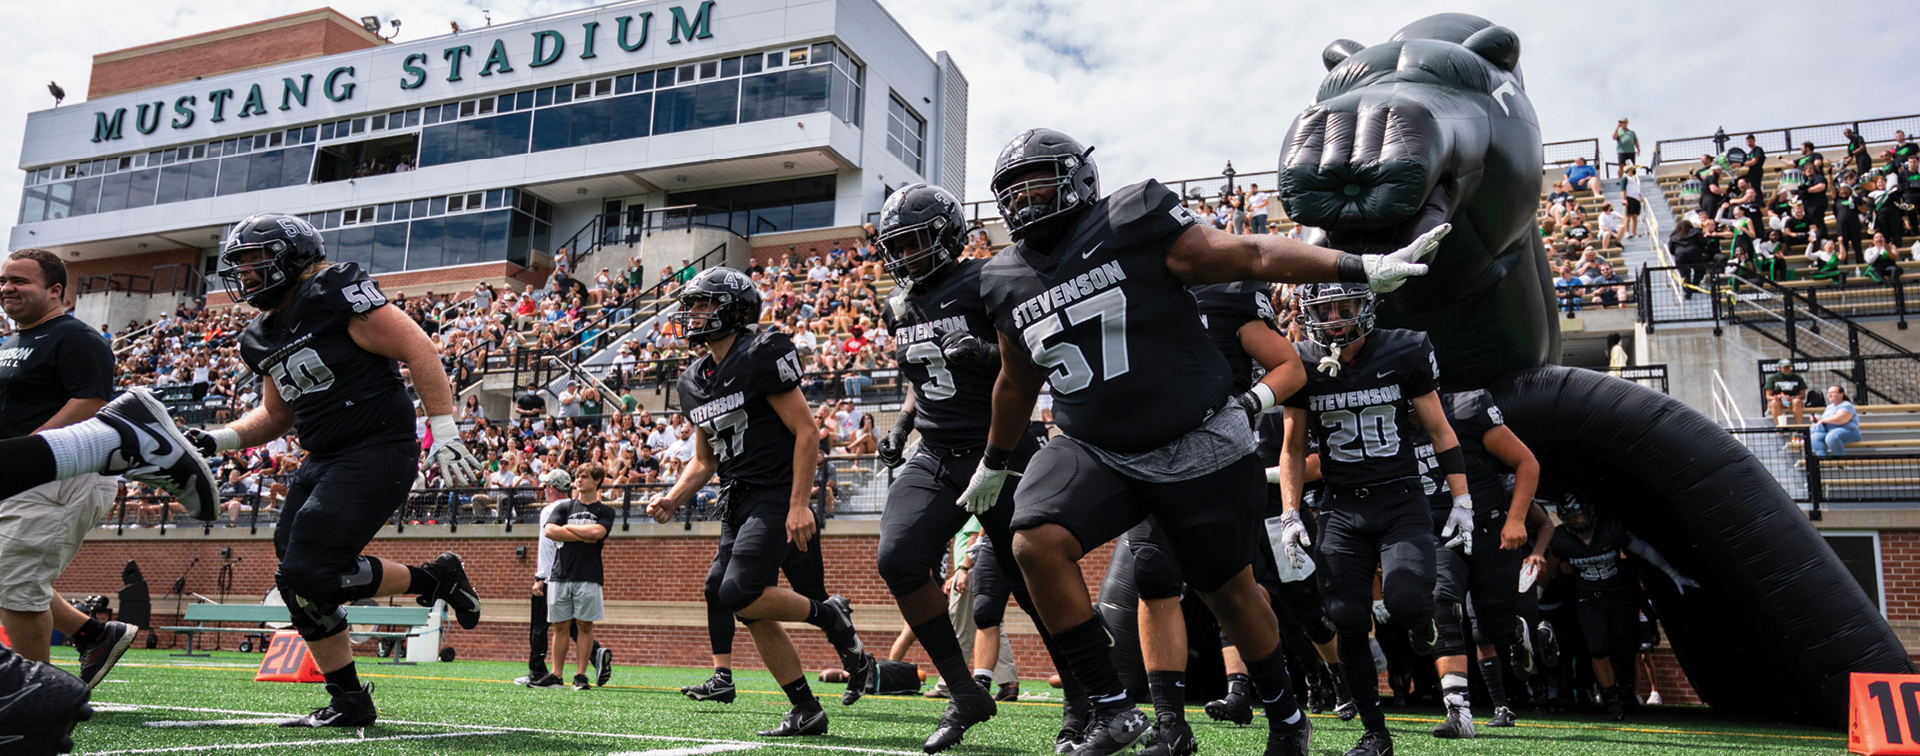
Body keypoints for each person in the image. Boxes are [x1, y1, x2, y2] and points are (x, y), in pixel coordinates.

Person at [962, 128, 1442, 756]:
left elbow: (1251, 255)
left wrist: (1357, 266)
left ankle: (1287, 716)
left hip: (1196, 439)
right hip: (1095, 443)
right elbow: (1014, 380)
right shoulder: (1001, 277)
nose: (1026, 201)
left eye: (1039, 183)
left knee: (1230, 592)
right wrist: (995, 462)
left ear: (1078, 178)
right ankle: (1112, 707)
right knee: (1034, 539)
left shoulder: (1132, 217)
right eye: (1013, 191)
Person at [187, 213, 485, 728]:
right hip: (321, 457)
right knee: (298, 580)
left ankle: (434, 580)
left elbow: (416, 346)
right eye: (239, 265)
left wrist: (446, 428)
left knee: (308, 572)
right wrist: (219, 438)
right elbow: (277, 415)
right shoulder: (259, 334)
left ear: (292, 253)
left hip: (376, 448)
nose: (247, 274)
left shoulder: (333, 287)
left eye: (254, 260)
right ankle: (350, 697)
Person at [869, 183, 1080, 752]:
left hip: (1002, 448)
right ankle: (965, 691)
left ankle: (1084, 695)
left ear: (947, 235)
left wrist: (988, 354)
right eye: (898, 243)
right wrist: (903, 424)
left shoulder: (988, 278)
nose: (907, 253)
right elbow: (923, 377)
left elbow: (1040, 356)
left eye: (916, 240)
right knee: (899, 558)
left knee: (1032, 578)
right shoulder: (901, 303)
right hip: (936, 454)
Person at [646, 267, 871, 738]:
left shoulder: (762, 352)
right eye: (693, 305)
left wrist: (798, 504)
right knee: (742, 603)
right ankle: (806, 708)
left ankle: (828, 613)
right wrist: (672, 497)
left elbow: (807, 432)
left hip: (775, 492)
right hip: (738, 499)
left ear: (734, 309)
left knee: (738, 592)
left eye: (704, 304)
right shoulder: (693, 380)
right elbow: (704, 460)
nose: (694, 314)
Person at [1275, 282, 1470, 755]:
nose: (1337, 318)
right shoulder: (1299, 361)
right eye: (1327, 309)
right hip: (1341, 506)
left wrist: (1462, 499)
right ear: (1309, 313)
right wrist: (1289, 512)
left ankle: (1422, 621)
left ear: (1367, 307)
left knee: (1405, 601)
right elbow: (1294, 447)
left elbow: (1441, 430)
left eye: (1347, 307)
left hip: (1400, 499)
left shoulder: (1404, 349)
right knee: (1345, 617)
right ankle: (1375, 733)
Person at [0, 249, 146, 688]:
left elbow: (90, 401)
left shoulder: (76, 337)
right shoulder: (13, 341)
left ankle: (37, 696)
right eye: (3, 280)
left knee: (14, 579)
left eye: (19, 281)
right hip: (20, 476)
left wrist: (29, 449)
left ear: (55, 289)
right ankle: (94, 633)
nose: (7, 288)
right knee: (11, 575)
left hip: (59, 473)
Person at [1413, 390, 1541, 738]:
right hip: (1440, 533)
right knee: (1442, 604)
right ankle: (1458, 711)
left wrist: (1516, 519)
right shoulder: (1386, 425)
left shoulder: (1467, 409)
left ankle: (1515, 632)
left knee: (1491, 629)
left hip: (1490, 528)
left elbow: (1527, 462)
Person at [1547, 492, 1699, 721]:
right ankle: (1613, 701)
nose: (1580, 521)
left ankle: (1624, 680)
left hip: (1618, 597)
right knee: (1597, 649)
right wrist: (1533, 598)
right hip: (1588, 600)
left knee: (1622, 647)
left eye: (1583, 515)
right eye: (1574, 517)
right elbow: (1549, 570)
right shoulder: (1561, 540)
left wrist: (1673, 573)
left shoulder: (1611, 530)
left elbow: (1644, 549)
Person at [543, 462, 616, 691]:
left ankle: (580, 675)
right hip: (560, 574)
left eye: (584, 476)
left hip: (589, 575)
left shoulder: (605, 511)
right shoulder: (564, 507)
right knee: (560, 625)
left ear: (597, 481)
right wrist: (581, 534)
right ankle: (556, 674)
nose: (579, 479)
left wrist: (567, 530)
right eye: (577, 476)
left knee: (585, 625)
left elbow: (597, 533)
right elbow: (549, 530)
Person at [1810, 385, 1860, 457]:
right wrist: (1816, 420)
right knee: (1814, 437)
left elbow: (1840, 419)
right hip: (1828, 431)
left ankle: (1841, 461)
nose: (1830, 394)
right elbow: (1826, 420)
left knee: (1831, 436)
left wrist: (1822, 420)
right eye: (1828, 393)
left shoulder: (1847, 405)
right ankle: (1822, 459)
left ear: (1841, 394)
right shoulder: (1829, 407)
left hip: (1848, 431)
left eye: (1833, 392)